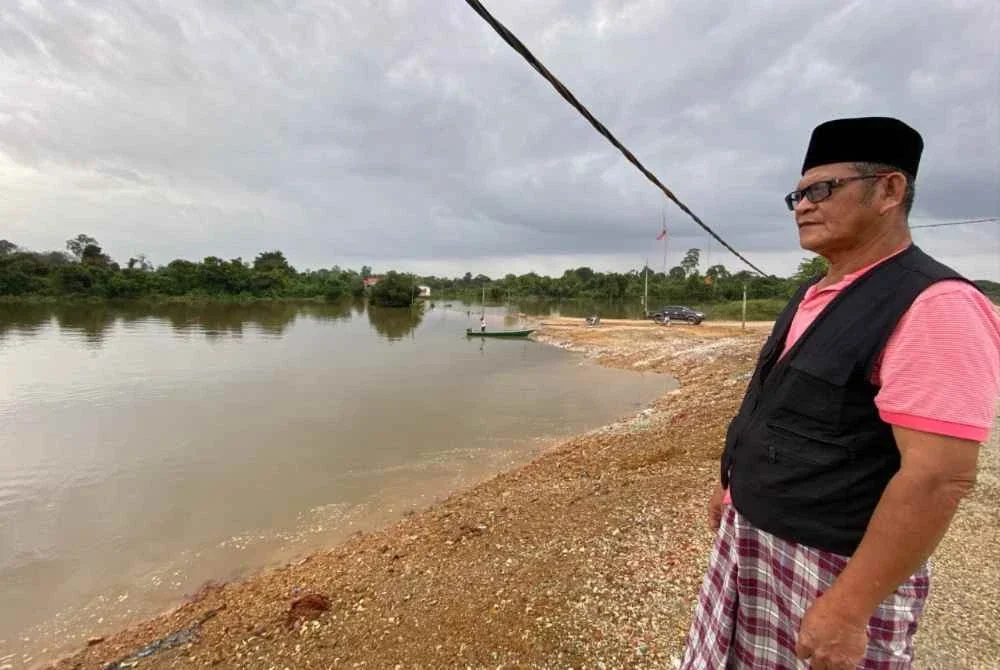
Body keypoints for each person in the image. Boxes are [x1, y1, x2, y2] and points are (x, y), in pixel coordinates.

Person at [680, 117, 1000, 669]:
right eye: (797, 195)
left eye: (821, 189)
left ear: (889, 190)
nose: (803, 205)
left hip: (834, 566)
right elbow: (774, 404)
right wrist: (730, 484)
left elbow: (938, 477)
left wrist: (850, 609)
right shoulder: (816, 290)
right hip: (754, 539)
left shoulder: (937, 305)